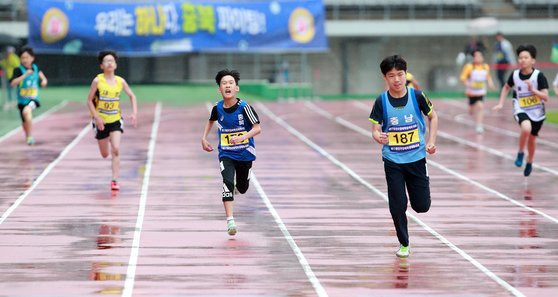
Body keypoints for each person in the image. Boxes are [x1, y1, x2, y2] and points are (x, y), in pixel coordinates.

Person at [369, 55, 438, 258]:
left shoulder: (417, 96)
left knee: (421, 206)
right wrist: (377, 136)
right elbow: (375, 129)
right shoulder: (381, 101)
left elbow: (433, 117)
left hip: (416, 158)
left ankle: (418, 194)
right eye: (391, 76)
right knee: (397, 204)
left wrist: (431, 141)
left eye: (400, 74)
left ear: (405, 74)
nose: (397, 80)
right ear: (385, 78)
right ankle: (404, 243)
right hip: (393, 160)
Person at [201, 69, 262, 236]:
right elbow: (211, 121)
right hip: (226, 153)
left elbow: (257, 128)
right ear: (219, 89)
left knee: (242, 188)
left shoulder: (244, 108)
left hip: (244, 153)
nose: (227, 86)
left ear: (237, 88)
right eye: (224, 83)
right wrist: (204, 138)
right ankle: (230, 221)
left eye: (230, 83)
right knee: (227, 182)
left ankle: (241, 181)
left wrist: (243, 136)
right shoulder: (217, 108)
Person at [492, 44, 549, 177]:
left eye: (526, 57)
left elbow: (545, 97)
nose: (522, 60)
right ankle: (520, 152)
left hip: (537, 112)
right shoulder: (515, 75)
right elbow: (506, 87)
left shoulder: (538, 76)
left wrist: (533, 90)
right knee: (526, 129)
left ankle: (530, 161)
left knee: (532, 140)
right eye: (520, 57)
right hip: (521, 108)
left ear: (532, 60)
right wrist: (500, 103)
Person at [86, 50, 138, 191]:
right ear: (101, 65)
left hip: (115, 120)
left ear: (115, 65)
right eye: (106, 61)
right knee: (105, 154)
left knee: (116, 149)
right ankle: (105, 138)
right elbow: (89, 100)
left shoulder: (120, 81)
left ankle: (114, 180)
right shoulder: (98, 81)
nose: (109, 63)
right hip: (101, 121)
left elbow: (132, 96)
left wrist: (134, 113)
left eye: (112, 61)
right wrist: (96, 117)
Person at [9, 47, 47, 145]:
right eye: (22, 58)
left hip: (34, 98)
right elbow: (12, 83)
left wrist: (44, 80)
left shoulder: (35, 67)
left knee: (27, 111)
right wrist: (24, 75)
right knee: (24, 122)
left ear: (32, 58)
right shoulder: (18, 70)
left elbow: (42, 76)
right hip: (22, 100)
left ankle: (30, 136)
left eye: (27, 57)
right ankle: (27, 136)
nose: (25, 60)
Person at [459, 49, 496, 133]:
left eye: (480, 56)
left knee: (480, 106)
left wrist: (491, 84)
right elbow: (463, 78)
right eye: (476, 56)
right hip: (471, 93)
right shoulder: (469, 67)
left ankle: (479, 125)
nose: (478, 58)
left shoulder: (485, 67)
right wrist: (468, 84)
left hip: (481, 92)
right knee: (471, 110)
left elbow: (488, 77)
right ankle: (471, 107)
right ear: (473, 58)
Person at [1, 46, 20, 110]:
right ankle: (10, 101)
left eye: (10, 52)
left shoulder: (14, 58)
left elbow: (17, 65)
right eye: (8, 52)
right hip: (7, 76)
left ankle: (16, 101)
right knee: (9, 89)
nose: (9, 53)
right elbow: (3, 64)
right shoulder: (5, 58)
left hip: (14, 76)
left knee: (16, 89)